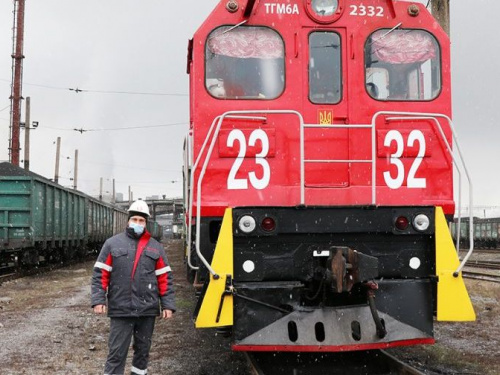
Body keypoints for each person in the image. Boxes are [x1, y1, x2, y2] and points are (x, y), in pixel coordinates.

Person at [91, 200, 175, 375]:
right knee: (116, 354)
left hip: (147, 310)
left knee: (142, 353)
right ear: (128, 221)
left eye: (141, 220)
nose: (137, 223)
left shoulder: (155, 247)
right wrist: (98, 299)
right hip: (121, 310)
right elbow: (100, 274)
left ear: (146, 223)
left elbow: (164, 277)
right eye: (135, 219)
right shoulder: (112, 244)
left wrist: (167, 304)